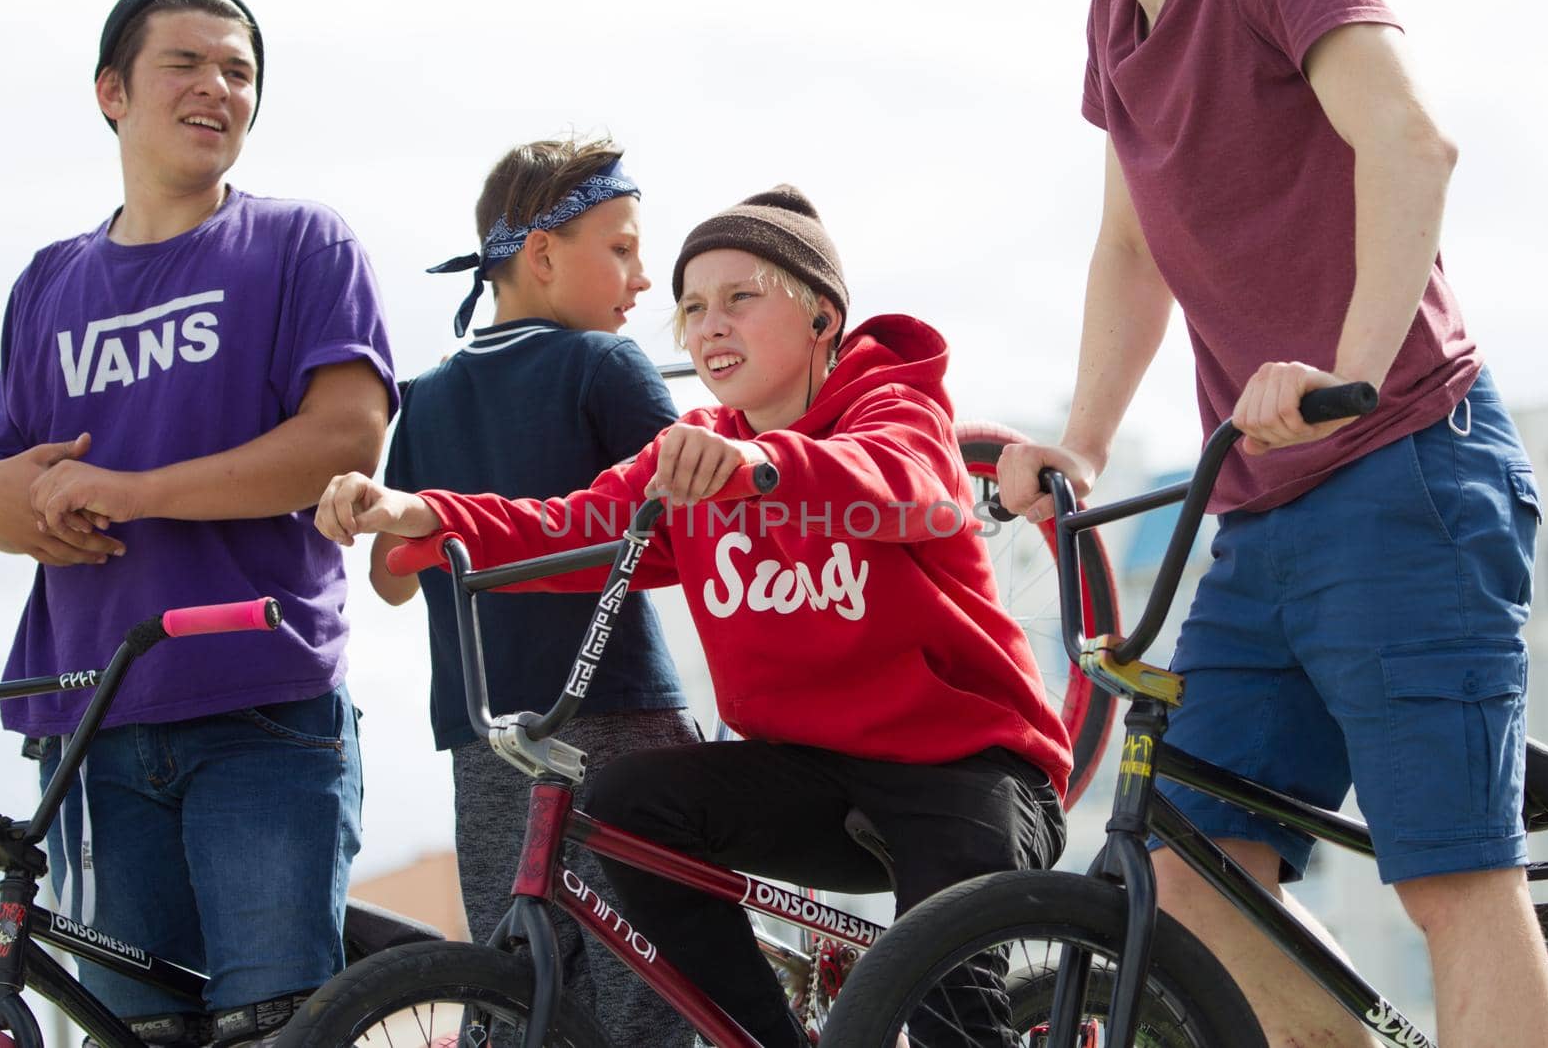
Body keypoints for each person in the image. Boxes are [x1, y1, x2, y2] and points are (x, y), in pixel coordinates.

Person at [315, 185, 1071, 1047]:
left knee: (948, 1011)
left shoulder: (893, 406)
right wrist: (425, 514)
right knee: (628, 802)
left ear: (823, 317)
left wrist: (755, 463)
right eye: (692, 308)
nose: (710, 325)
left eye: (740, 298)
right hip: (815, 775)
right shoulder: (693, 458)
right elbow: (573, 525)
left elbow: (904, 487)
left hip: (966, 767)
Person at [995, 0, 1548, 1044]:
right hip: (1260, 513)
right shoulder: (1117, 17)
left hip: (1407, 466)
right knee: (1192, 874)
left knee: (1453, 874)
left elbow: (1412, 139)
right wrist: (1084, 440)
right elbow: (1128, 243)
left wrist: (1351, 369)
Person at [0, 0, 396, 1045]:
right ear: (113, 92)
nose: (217, 88)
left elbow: (344, 439)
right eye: (186, 65)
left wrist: (130, 491)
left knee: (273, 1026)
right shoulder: (46, 282)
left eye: (238, 72)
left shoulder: (303, 242)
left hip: (264, 701)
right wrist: (22, 506)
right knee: (132, 1034)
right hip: (91, 712)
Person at [371, 136, 695, 1048]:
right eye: (623, 248)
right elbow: (687, 518)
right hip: (621, 712)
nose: (643, 280)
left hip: (489, 739)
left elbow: (390, 581)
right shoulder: (609, 367)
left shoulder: (425, 399)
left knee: (524, 990)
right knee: (658, 989)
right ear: (544, 254)